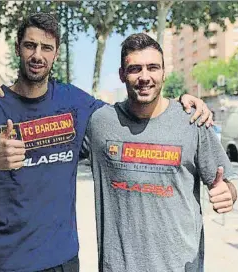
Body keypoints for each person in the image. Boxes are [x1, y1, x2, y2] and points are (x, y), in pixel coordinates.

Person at [0, 13, 216, 272]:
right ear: (18, 47)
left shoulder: (74, 102)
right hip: (7, 263)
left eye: (46, 48)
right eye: (30, 45)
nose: (37, 55)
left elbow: (133, 114)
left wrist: (179, 103)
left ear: (56, 53)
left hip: (63, 261)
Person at [80, 33, 237, 272]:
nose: (145, 77)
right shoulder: (100, 123)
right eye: (135, 69)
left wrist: (230, 192)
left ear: (164, 73)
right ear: (122, 74)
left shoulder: (192, 119)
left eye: (153, 67)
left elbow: (227, 180)